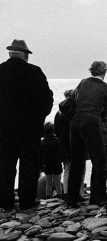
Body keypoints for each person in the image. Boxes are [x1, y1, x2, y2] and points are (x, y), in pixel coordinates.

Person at [0, 39, 53, 210]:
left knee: (5, 165)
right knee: (29, 166)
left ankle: (5, 201)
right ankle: (26, 201)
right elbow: (47, 99)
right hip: (29, 129)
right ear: (25, 55)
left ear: (10, 53)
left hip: (4, 129)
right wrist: (39, 118)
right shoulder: (34, 72)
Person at [66, 61, 107, 208]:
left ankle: (71, 199)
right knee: (100, 161)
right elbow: (105, 112)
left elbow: (74, 99)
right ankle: (98, 197)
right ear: (104, 71)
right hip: (91, 122)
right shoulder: (106, 88)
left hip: (75, 122)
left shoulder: (83, 82)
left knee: (77, 162)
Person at [54, 90, 86, 200]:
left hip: (64, 143)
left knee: (67, 168)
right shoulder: (78, 111)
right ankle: (80, 193)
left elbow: (56, 130)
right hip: (77, 141)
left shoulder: (59, 113)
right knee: (81, 168)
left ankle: (66, 192)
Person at [41, 122, 63, 198]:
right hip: (56, 164)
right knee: (57, 182)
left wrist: (42, 164)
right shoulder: (57, 141)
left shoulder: (42, 142)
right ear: (53, 130)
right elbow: (60, 153)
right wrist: (61, 160)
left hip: (47, 164)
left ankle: (48, 196)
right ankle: (60, 195)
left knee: (48, 182)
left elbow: (41, 155)